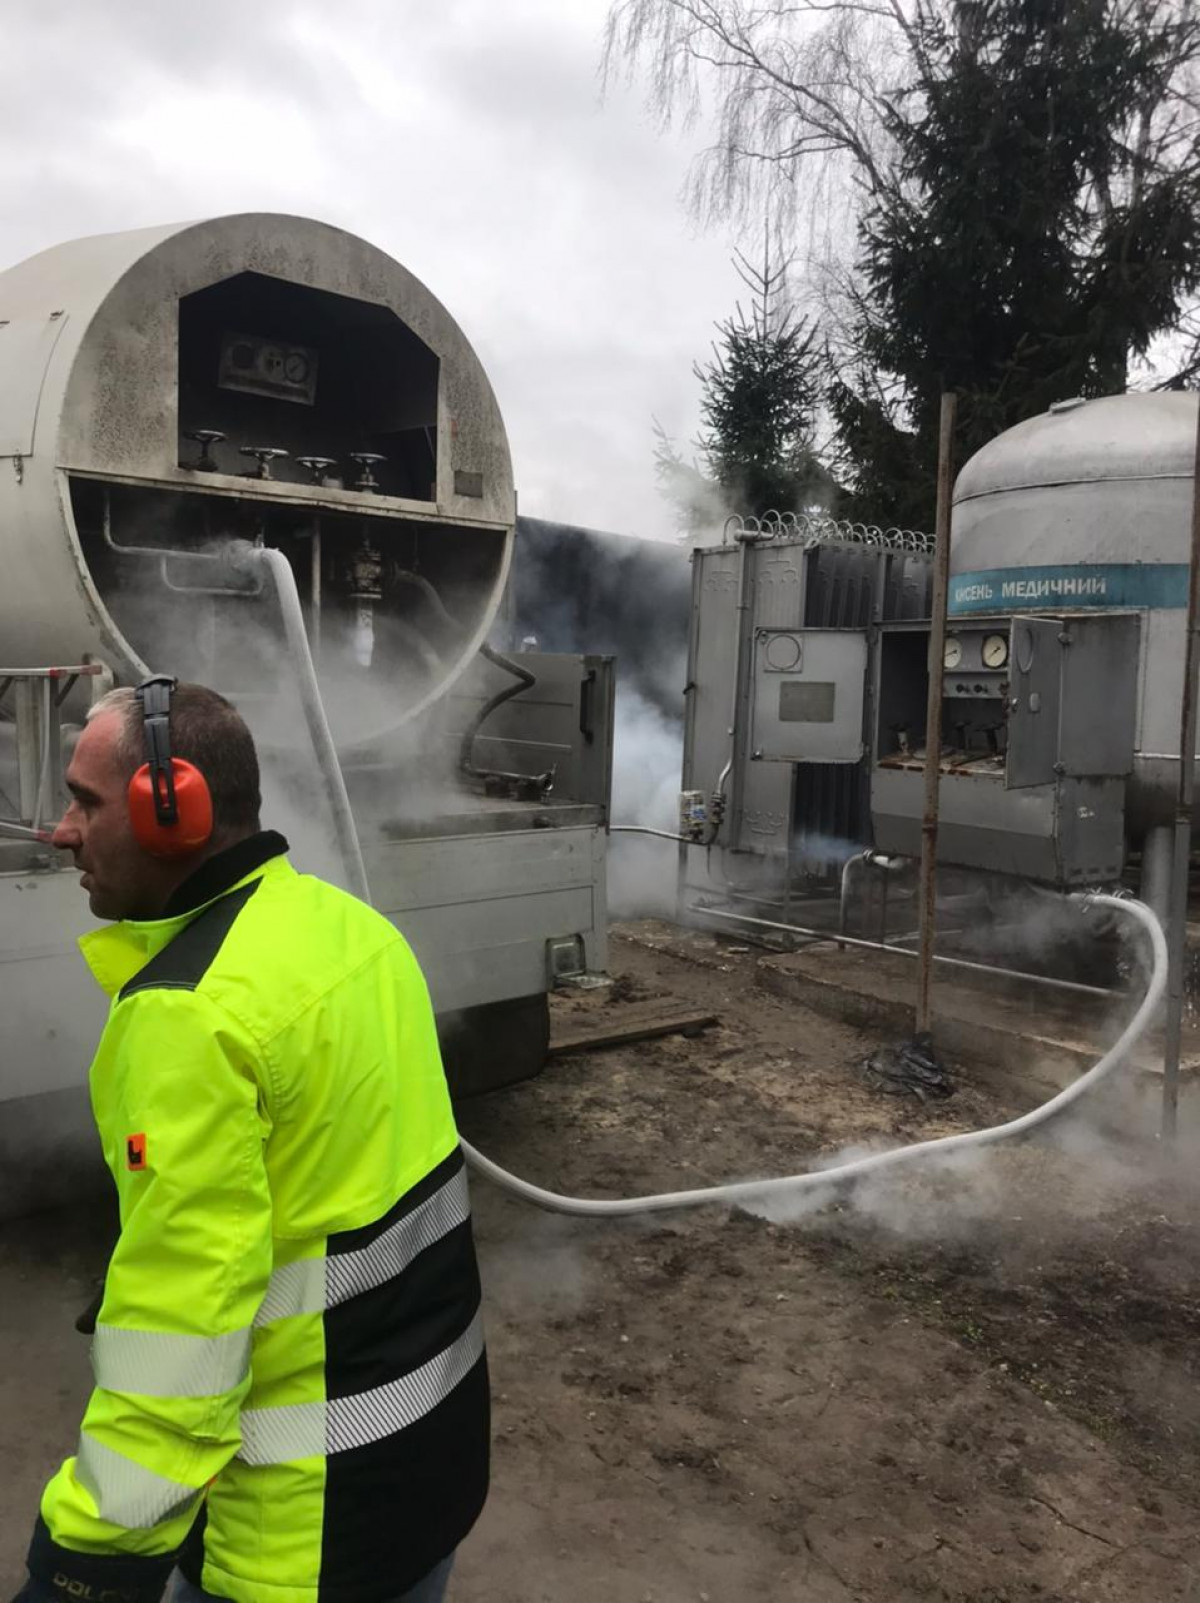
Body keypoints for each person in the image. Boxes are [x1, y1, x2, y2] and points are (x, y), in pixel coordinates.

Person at [12, 678, 489, 1603]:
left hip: (296, 1536)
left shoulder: (189, 1017)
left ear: (174, 812)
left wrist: (80, 1568)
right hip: (432, 1473)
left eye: (84, 802)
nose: (60, 832)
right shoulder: (353, 929)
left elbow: (177, 1347)